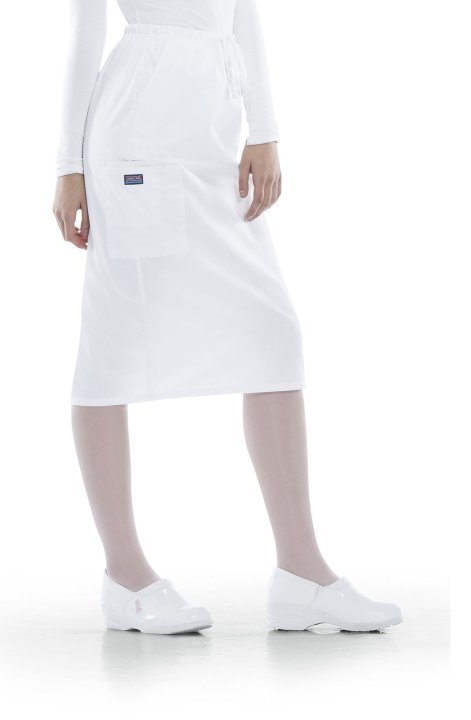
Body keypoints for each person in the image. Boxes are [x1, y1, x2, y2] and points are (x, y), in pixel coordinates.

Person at [53, 0, 403, 635]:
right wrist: (67, 167)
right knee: (112, 349)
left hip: (214, 133)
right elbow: (84, 29)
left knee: (273, 337)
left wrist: (264, 129)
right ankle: (125, 576)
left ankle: (301, 574)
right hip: (138, 136)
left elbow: (243, 12)